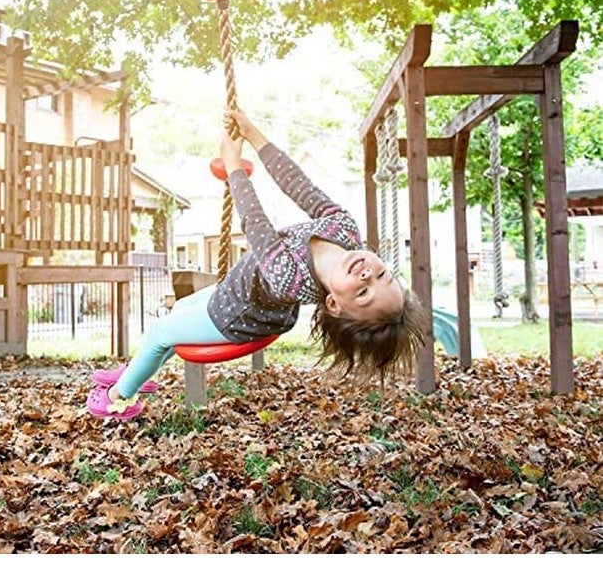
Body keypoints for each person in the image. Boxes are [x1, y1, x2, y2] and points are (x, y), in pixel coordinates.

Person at [87, 108, 429, 420]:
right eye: (381, 273)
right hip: (232, 291)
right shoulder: (344, 230)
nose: (368, 273)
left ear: (334, 304)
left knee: (161, 333)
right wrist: (253, 134)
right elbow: (297, 184)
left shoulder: (290, 280)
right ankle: (139, 372)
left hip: (232, 316)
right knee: (175, 312)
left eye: (365, 292)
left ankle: (120, 398)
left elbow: (255, 222)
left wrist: (233, 166)